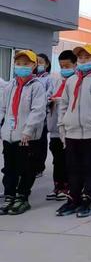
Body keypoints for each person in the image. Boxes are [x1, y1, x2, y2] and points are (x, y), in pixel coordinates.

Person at [56, 44, 91, 218]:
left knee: (90, 168)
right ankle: (74, 198)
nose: (83, 61)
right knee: (73, 168)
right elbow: (63, 105)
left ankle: (88, 198)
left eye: (87, 58)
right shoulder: (71, 80)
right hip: (71, 132)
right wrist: (62, 127)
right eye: (80, 58)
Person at [0, 50, 47, 215]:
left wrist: (28, 130)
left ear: (34, 65)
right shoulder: (11, 85)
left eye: (26, 64)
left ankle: (22, 196)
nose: (21, 67)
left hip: (27, 137)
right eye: (18, 64)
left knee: (26, 167)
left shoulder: (37, 86)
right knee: (9, 167)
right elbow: (3, 109)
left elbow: (38, 111)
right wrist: (2, 127)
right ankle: (10, 195)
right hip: (9, 134)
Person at [45, 50, 77, 201]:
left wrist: (63, 100)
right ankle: (58, 186)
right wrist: (50, 99)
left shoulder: (78, 80)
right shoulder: (57, 80)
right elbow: (49, 95)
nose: (64, 69)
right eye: (61, 66)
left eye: (67, 66)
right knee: (57, 159)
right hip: (55, 128)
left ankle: (69, 186)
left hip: (70, 128)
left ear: (75, 65)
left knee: (69, 159)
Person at [36, 53, 52, 177]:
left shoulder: (48, 79)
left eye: (41, 62)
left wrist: (40, 103)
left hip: (43, 113)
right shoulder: (33, 78)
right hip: (31, 113)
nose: (38, 64)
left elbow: (49, 94)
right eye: (36, 62)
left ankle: (39, 167)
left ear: (46, 64)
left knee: (41, 141)